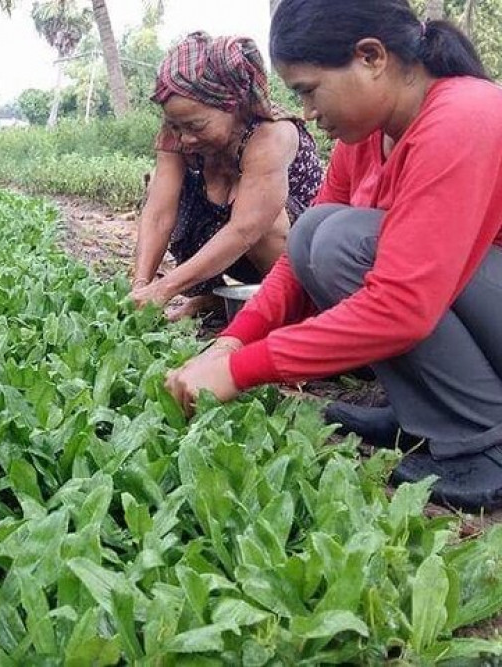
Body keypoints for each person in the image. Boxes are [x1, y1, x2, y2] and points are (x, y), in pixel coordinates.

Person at [165, 0, 502, 511]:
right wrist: (231, 342)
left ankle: (484, 438)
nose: (306, 112)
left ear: (371, 58)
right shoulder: (367, 136)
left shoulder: (463, 116)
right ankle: (424, 412)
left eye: (307, 90)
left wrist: (243, 370)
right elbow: (299, 261)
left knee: (345, 241)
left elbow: (401, 306)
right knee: (315, 236)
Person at [130, 32, 323, 321]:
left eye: (196, 125)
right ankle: (218, 300)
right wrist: (141, 287)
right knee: (171, 196)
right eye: (175, 125)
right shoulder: (178, 134)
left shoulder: (272, 135)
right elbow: (158, 214)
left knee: (266, 221)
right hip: (233, 251)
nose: (185, 137)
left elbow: (246, 230)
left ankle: (296, 309)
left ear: (234, 106)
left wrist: (165, 288)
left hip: (296, 259)